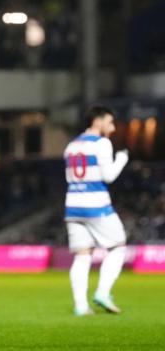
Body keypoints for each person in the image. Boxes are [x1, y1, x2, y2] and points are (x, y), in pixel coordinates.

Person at [64, 105, 128, 316]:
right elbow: (108, 176)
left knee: (82, 255)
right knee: (118, 246)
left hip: (73, 205)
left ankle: (81, 306)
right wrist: (122, 159)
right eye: (109, 122)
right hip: (96, 204)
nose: (111, 127)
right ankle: (102, 292)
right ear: (98, 121)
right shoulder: (102, 143)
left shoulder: (71, 146)